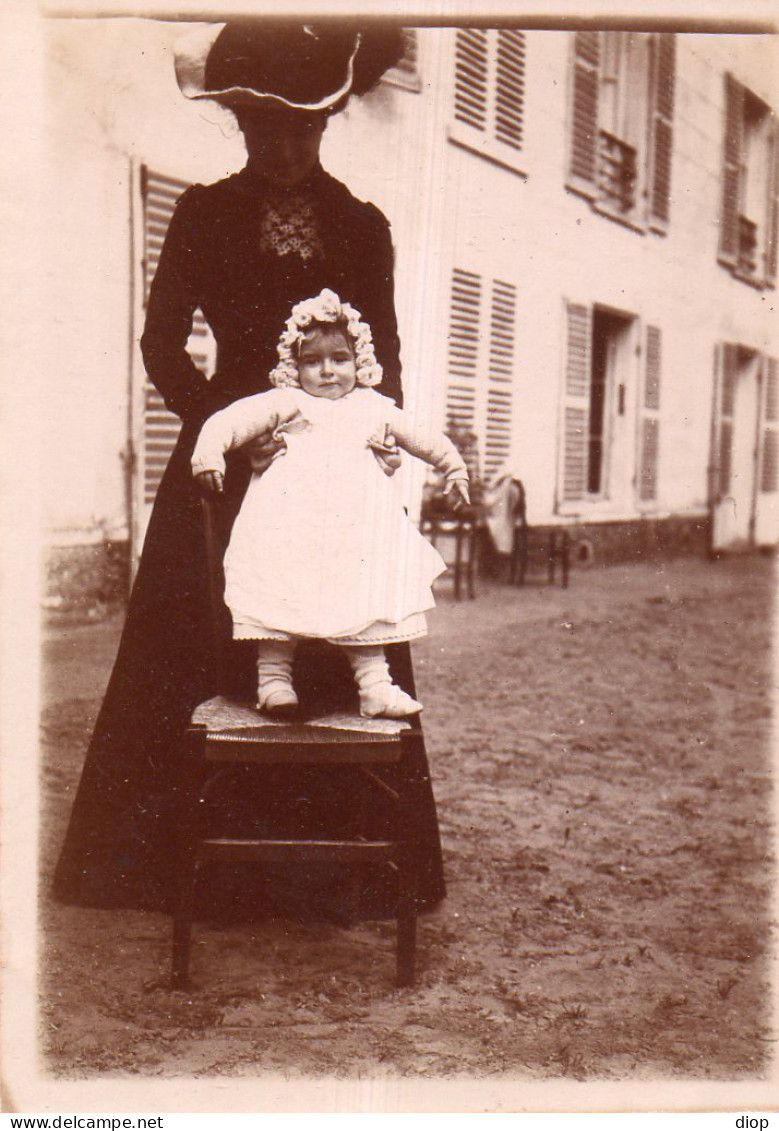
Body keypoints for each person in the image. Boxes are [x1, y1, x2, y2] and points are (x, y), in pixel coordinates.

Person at [53, 21, 448, 923]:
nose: (282, 147)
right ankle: (168, 866)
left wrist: (376, 439)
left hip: (334, 462)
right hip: (223, 463)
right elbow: (161, 342)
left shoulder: (360, 224)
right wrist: (221, 433)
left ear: (328, 124)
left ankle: (335, 871)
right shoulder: (203, 214)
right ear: (238, 126)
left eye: (300, 128)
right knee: (198, 641)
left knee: (343, 630)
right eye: (262, 128)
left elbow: (380, 352)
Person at [192, 288, 470, 719]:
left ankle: (375, 685)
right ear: (294, 365)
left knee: (364, 597)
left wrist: (454, 468)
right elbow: (228, 420)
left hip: (352, 533)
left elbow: (423, 438)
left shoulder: (374, 407)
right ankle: (273, 682)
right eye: (312, 362)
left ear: (358, 361)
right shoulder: (284, 402)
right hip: (287, 525)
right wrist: (209, 454)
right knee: (276, 593)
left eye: (339, 360)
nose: (326, 372)